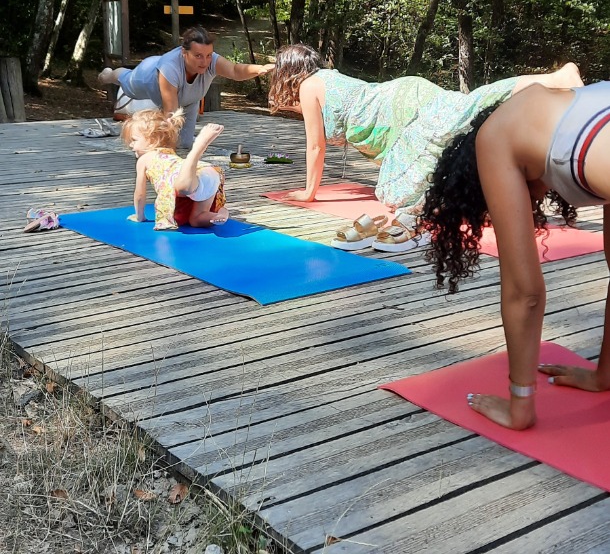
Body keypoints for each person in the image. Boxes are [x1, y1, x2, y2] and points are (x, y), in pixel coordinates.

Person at [419, 80, 610, 430]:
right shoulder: (570, 113)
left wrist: (520, 406)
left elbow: (526, 295)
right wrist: (604, 377)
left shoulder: (494, 138)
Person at [267, 44, 584, 252]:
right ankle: (549, 96)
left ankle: (556, 78)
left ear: (288, 72)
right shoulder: (326, 79)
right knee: (464, 122)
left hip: (402, 106)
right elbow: (338, 117)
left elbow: (316, 146)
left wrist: (309, 193)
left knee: (466, 111)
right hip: (404, 96)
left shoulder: (309, 87)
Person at [100, 26, 275, 147]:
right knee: (126, 80)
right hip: (147, 77)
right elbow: (171, 112)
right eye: (198, 56)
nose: (205, 61)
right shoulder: (169, 68)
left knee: (185, 143)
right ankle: (110, 74)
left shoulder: (211, 60)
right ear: (184, 52)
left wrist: (258, 69)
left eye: (208, 55)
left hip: (191, 100)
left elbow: (236, 71)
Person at [121, 108, 228, 230]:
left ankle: (199, 146)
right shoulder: (170, 155)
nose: (131, 145)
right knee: (196, 220)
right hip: (210, 174)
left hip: (190, 177)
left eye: (134, 140)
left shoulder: (144, 159)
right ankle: (221, 213)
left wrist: (139, 217)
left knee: (182, 187)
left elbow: (139, 194)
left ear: (152, 141)